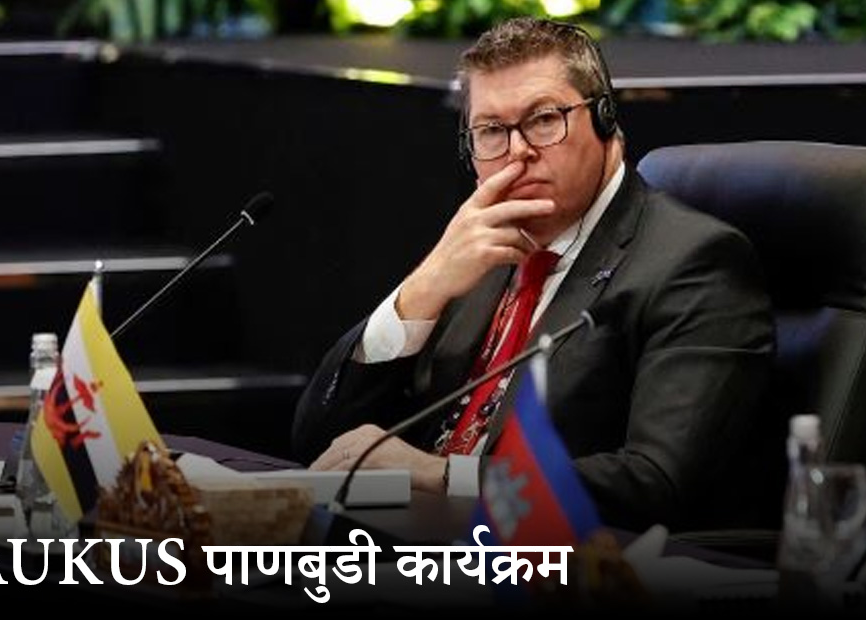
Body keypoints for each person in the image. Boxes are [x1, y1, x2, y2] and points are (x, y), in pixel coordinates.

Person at [291, 17, 776, 533]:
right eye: (491, 131)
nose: (517, 150)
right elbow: (318, 438)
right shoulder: (477, 251)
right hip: (410, 541)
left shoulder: (696, 261)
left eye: (544, 119)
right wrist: (424, 286)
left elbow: (655, 482)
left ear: (605, 119)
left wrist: (441, 474)